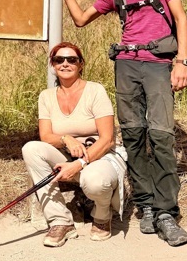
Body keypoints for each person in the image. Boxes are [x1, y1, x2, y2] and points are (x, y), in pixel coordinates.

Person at [62, 0, 187, 247]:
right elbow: (80, 19)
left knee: (161, 135)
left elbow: (181, 19)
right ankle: (146, 205)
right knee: (133, 136)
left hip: (158, 64)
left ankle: (166, 212)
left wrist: (182, 62)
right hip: (126, 66)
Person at [23, 42, 127, 246]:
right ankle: (60, 221)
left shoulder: (95, 91)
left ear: (81, 64)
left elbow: (107, 139)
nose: (65, 64)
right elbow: (46, 136)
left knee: (95, 181)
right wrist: (65, 138)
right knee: (31, 149)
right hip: (66, 155)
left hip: (100, 155)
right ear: (53, 65)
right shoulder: (46, 96)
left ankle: (102, 215)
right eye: (59, 60)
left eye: (71, 59)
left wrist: (79, 164)